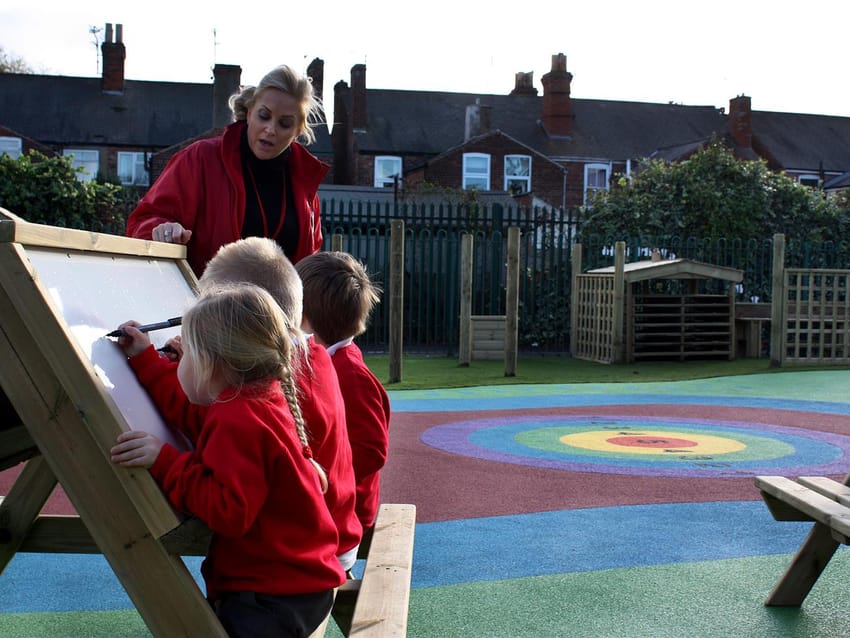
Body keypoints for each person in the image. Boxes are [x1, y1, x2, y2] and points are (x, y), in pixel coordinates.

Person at [109, 284, 345, 637]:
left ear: (211, 363)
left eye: (184, 355)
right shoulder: (253, 396)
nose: (178, 363)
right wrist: (146, 360)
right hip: (297, 585)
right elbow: (191, 412)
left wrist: (166, 462)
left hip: (270, 598)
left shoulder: (238, 418)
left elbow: (228, 512)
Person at [198, 237, 362, 571]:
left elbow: (194, 413)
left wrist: (148, 364)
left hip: (313, 552)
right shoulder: (313, 357)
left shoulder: (260, 386)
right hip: (334, 533)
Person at [125, 64, 327, 278]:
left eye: (284, 124)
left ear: (297, 131)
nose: (271, 129)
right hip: (207, 308)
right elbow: (141, 223)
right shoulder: (201, 158)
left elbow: (307, 272)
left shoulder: (305, 184)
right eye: (264, 116)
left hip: (281, 311)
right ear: (249, 113)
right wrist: (162, 229)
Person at [295, 251, 391, 534]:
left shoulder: (350, 373)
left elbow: (372, 450)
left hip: (346, 508)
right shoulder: (326, 358)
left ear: (304, 318)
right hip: (333, 499)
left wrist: (324, 472)